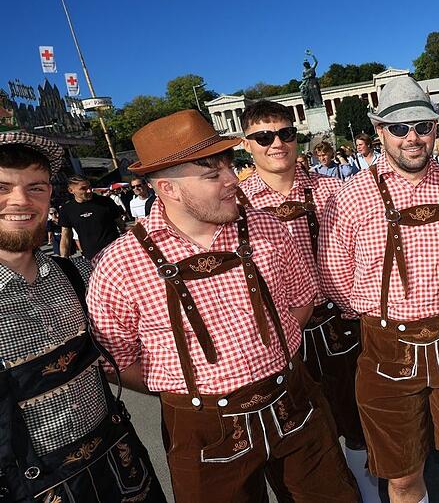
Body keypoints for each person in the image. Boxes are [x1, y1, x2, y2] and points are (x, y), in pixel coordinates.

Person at [87, 110, 358, 502]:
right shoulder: (120, 264)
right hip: (202, 429)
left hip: (292, 399)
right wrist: (185, 385)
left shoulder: (267, 227)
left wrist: (270, 352)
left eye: (229, 165)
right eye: (212, 174)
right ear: (168, 188)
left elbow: (301, 302)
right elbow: (118, 360)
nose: (234, 180)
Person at [319, 75, 439, 503]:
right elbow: (335, 276)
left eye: (423, 126)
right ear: (379, 132)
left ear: (436, 129)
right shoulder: (350, 197)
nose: (412, 138)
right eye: (398, 128)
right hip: (387, 349)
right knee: (401, 474)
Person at [0, 132, 165, 502]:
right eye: (2, 187)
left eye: (36, 187)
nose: (20, 201)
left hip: (121, 466)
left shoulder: (80, 275)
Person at [236, 100, 378, 502]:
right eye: (264, 137)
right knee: (301, 435)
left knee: (355, 418)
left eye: (285, 133)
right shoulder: (238, 202)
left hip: (338, 321)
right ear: (248, 144)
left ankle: (368, 494)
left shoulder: (333, 188)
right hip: (282, 333)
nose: (276, 143)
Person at [58, 175, 125, 261]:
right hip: (92, 257)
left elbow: (122, 226)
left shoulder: (106, 202)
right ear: (71, 190)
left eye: (89, 187)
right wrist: (64, 259)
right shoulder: (66, 209)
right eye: (83, 188)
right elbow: (65, 236)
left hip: (115, 251)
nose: (89, 191)